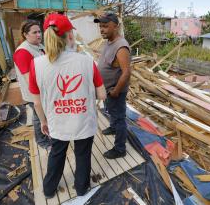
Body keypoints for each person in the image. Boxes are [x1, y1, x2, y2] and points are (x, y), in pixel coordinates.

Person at [29, 13, 106, 198]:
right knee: (83, 155)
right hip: (84, 121)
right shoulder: (87, 61)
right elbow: (102, 94)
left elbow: (36, 102)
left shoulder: (37, 64)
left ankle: (48, 190)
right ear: (70, 36)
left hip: (57, 121)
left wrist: (43, 121)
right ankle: (81, 189)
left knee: (57, 154)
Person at [94, 13, 131, 159]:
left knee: (119, 117)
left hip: (115, 91)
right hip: (107, 90)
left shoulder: (121, 46)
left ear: (115, 27)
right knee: (112, 112)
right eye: (100, 26)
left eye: (105, 26)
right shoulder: (109, 42)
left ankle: (120, 148)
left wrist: (116, 91)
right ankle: (113, 127)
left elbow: (126, 72)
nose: (102, 29)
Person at [13, 20, 50, 149]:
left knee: (44, 115)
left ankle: (48, 135)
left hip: (44, 90)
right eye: (34, 32)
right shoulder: (22, 52)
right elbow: (29, 79)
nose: (39, 34)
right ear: (25, 34)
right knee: (39, 116)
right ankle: (42, 141)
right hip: (33, 93)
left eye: (39, 31)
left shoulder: (39, 46)